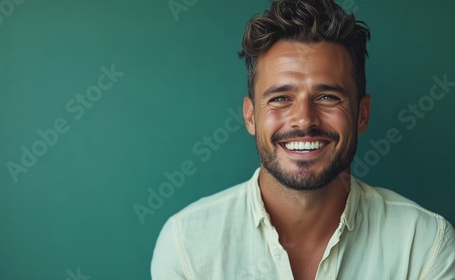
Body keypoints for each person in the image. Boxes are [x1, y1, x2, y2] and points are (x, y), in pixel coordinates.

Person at [151, 0, 455, 279]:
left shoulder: (425, 245)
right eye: (281, 98)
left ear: (362, 114)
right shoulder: (186, 245)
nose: (305, 119)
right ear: (250, 116)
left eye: (327, 96)